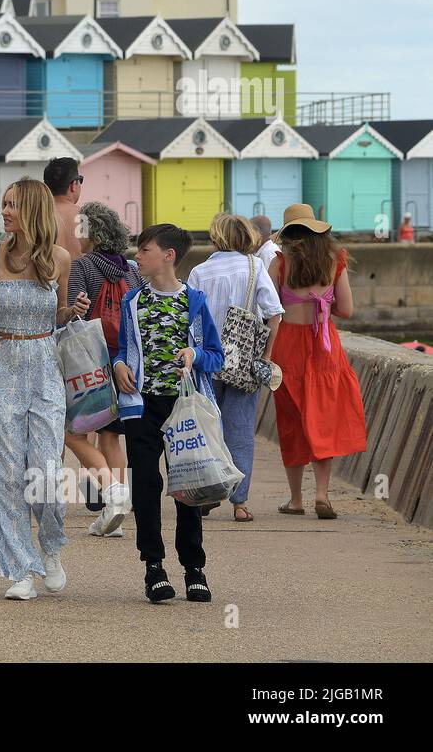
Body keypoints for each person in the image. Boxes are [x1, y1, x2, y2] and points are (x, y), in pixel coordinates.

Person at [0, 179, 88, 600]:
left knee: (47, 474)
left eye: (12, 205)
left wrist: (74, 311)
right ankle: (19, 569)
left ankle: (50, 548)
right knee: (5, 476)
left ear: (32, 208)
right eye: (3, 204)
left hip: (43, 371)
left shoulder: (60, 258)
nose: (5, 212)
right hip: (0, 369)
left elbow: (58, 316)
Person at [112, 224, 224, 604]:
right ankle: (153, 567)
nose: (137, 256)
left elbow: (217, 355)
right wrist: (118, 367)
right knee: (146, 483)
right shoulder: (132, 301)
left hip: (183, 405)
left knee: (187, 486)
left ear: (168, 255)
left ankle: (194, 568)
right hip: (140, 406)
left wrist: (195, 356)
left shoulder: (195, 301)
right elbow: (121, 349)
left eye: (144, 250)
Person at [267, 205, 366, 520]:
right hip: (324, 347)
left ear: (288, 234)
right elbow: (347, 310)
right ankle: (322, 495)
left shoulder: (280, 264)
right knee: (325, 419)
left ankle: (296, 500)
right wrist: (324, 303)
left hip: (287, 347)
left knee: (291, 421)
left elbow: (269, 310)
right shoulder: (335, 261)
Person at [186, 215, 283, 523]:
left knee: (206, 430)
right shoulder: (255, 268)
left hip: (206, 361)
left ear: (216, 239)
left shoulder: (199, 272)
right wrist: (265, 355)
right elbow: (275, 314)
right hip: (244, 363)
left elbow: (188, 319)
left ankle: (207, 493)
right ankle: (239, 502)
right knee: (240, 431)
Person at [65, 202, 142, 537]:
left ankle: (112, 497)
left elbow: (71, 315)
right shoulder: (132, 270)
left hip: (90, 365)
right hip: (126, 364)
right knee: (111, 437)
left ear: (92, 234)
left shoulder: (82, 266)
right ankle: (116, 511)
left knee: (77, 433)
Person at [44, 157, 84, 262]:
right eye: (80, 180)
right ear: (73, 185)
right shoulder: (84, 216)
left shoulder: (37, 215)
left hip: (48, 276)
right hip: (80, 277)